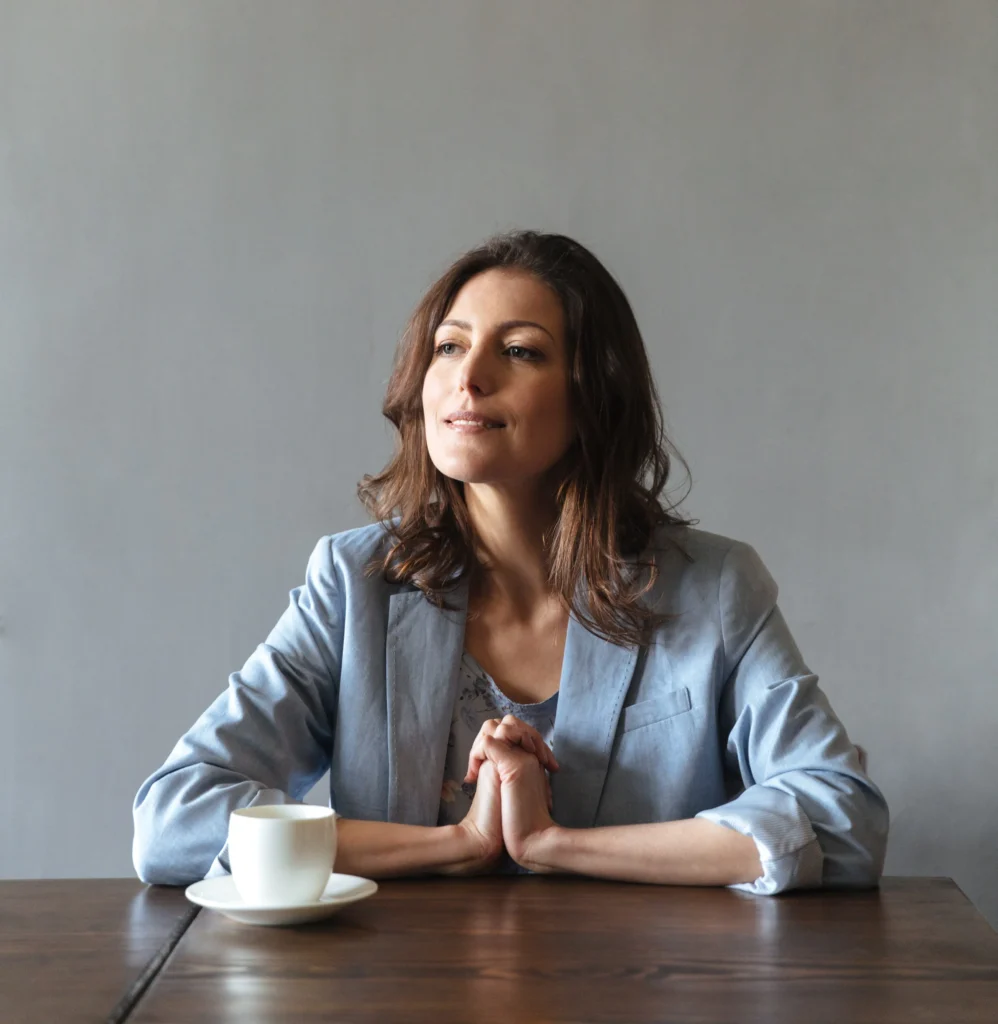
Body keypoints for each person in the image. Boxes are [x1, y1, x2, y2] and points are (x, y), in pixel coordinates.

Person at [132, 230, 889, 895]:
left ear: (595, 395)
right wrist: (454, 844)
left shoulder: (715, 587)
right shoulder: (354, 585)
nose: (469, 376)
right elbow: (175, 820)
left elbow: (845, 819)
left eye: (519, 350)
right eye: (449, 346)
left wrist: (557, 845)